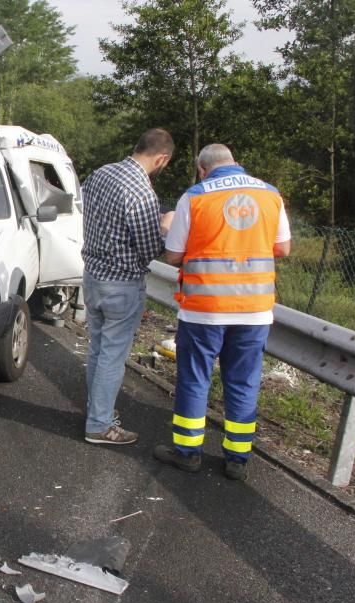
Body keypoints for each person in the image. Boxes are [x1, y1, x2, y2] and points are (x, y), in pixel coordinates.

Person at [154, 144, 291, 481]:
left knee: (195, 378)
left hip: (206, 309)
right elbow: (283, 248)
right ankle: (237, 459)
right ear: (234, 163)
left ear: (203, 168)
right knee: (243, 382)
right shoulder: (271, 194)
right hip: (254, 310)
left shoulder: (196, 196)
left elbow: (172, 256)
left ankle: (187, 452)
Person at [81, 128, 175, 445]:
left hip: (93, 275)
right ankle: (99, 425)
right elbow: (149, 248)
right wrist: (164, 225)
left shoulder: (100, 174)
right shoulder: (142, 191)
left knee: (97, 350)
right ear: (162, 158)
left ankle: (98, 411)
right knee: (112, 355)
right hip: (121, 282)